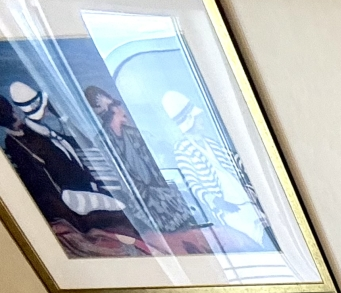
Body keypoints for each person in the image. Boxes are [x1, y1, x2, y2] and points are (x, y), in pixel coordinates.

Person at [0, 92, 148, 258]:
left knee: (124, 218)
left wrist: (63, 118)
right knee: (120, 218)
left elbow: (80, 143)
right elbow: (42, 182)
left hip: (82, 190)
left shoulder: (34, 133)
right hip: (70, 200)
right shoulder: (18, 143)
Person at [83, 84, 201, 238]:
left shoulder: (136, 134)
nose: (123, 110)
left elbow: (157, 166)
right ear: (112, 110)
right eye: (117, 106)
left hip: (162, 196)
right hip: (138, 205)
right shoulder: (102, 143)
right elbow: (117, 181)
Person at [162, 90, 274, 249]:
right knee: (258, 233)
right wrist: (216, 201)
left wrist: (252, 182)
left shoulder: (212, 143)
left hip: (244, 197)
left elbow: (237, 162)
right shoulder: (183, 149)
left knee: (268, 225)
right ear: (190, 120)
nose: (202, 121)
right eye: (197, 118)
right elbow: (193, 184)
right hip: (227, 206)